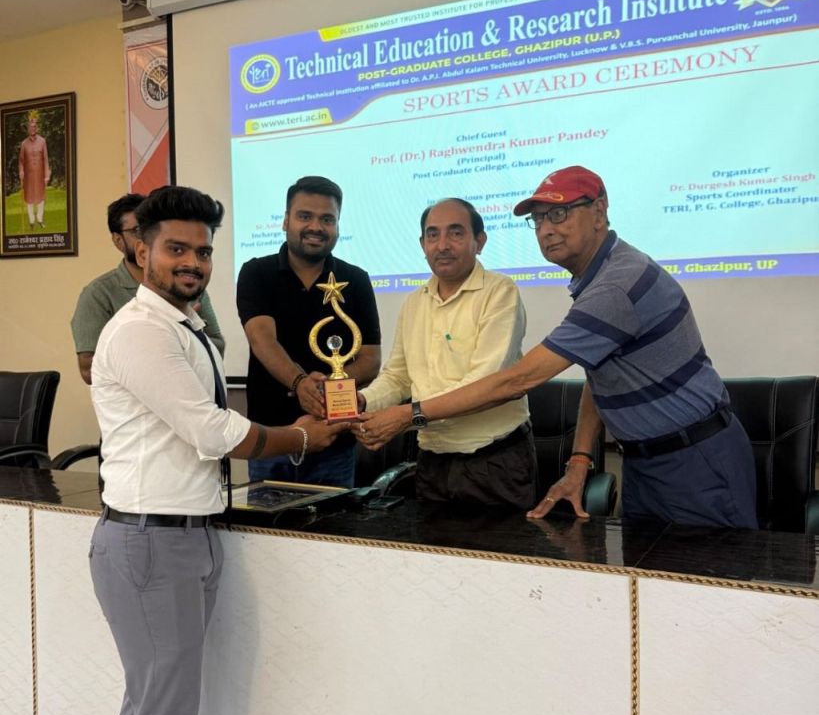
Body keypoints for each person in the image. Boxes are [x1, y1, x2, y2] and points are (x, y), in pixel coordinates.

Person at [88, 185, 348, 715]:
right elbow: (210, 431)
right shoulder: (140, 331)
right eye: (176, 248)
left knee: (147, 710)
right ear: (141, 249)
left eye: (203, 250)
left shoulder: (185, 325)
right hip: (151, 541)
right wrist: (300, 437)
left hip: (180, 534)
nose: (193, 262)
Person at [359, 166, 757, 529]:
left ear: (599, 211)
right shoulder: (596, 278)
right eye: (539, 219)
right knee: (647, 581)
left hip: (695, 460)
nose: (547, 229)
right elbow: (601, 376)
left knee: (710, 578)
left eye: (560, 213)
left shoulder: (615, 285)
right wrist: (580, 461)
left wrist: (408, 416)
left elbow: (514, 381)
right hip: (644, 463)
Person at [358, 198, 536, 509]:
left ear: (479, 242)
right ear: (422, 244)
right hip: (432, 460)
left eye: (455, 233)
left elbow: (485, 383)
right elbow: (398, 377)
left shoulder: (500, 292)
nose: (442, 245)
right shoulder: (414, 303)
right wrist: (362, 401)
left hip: (493, 461)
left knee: (499, 544)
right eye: (432, 235)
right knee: (432, 542)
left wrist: (406, 417)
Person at [236, 175, 381, 487]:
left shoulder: (356, 279)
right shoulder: (256, 272)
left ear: (337, 226)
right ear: (286, 220)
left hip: (334, 439)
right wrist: (300, 382)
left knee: (336, 520)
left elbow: (371, 359)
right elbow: (261, 338)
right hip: (271, 439)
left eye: (327, 219)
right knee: (266, 520)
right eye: (305, 216)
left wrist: (330, 388)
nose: (316, 226)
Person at [71, 193, 224, 384]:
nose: (192, 262)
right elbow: (89, 369)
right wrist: (171, 338)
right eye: (137, 230)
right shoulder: (98, 293)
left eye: (204, 253)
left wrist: (186, 337)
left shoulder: (187, 283)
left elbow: (216, 345)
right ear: (118, 240)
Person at [18, 116, 50, 231]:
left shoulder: (42, 141)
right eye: (31, 127)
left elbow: (46, 159)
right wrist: (21, 170)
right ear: (28, 129)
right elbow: (21, 161)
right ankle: (31, 221)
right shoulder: (24, 144)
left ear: (37, 128)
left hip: (40, 176)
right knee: (29, 199)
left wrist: (47, 175)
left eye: (34, 127)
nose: (33, 129)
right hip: (29, 177)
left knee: (41, 198)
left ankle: (40, 219)